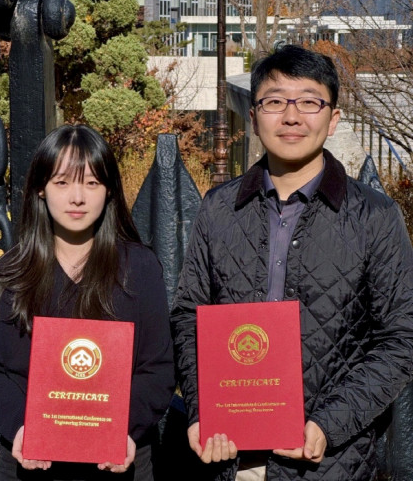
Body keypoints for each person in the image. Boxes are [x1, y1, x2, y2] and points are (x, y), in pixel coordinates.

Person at [171, 45, 413, 481]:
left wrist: (330, 423)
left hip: (328, 462)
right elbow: (191, 317)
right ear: (253, 116)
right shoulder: (219, 210)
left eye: (309, 101)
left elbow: (400, 339)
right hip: (231, 459)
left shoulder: (373, 217)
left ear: (333, 117)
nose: (291, 116)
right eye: (275, 101)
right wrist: (199, 409)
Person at [0, 124, 175, 481]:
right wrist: (20, 427)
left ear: (109, 191)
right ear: (41, 190)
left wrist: (123, 428)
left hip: (120, 460)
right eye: (62, 182)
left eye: (91, 183)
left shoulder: (139, 269)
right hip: (28, 463)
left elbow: (158, 369)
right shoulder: (10, 273)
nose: (77, 197)